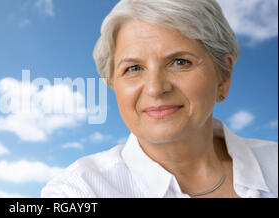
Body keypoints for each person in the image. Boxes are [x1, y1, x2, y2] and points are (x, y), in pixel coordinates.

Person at [41, 0, 278, 198]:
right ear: (113, 84)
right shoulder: (77, 192)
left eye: (180, 62)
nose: (155, 88)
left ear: (223, 76)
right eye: (133, 68)